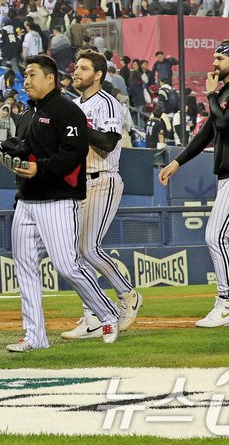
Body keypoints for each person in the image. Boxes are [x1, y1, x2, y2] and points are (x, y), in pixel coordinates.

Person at [0, 54, 121, 352]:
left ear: (50, 79)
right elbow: (27, 151)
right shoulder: (27, 114)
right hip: (27, 199)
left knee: (68, 265)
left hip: (59, 199)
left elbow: (73, 154)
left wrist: (40, 167)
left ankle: (108, 313)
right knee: (25, 267)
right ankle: (34, 336)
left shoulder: (69, 111)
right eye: (24, 76)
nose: (26, 81)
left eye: (31, 75)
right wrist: (14, 157)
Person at [159, 39, 229, 328]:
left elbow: (223, 122)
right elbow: (206, 134)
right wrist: (177, 162)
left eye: (220, 57)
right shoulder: (225, 92)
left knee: (215, 236)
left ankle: (226, 302)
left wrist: (209, 96)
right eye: (214, 57)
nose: (215, 62)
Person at [63, 50, 143, 341]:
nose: (77, 71)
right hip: (78, 184)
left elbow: (108, 142)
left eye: (83, 68)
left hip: (103, 179)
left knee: (89, 249)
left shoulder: (108, 103)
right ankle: (92, 317)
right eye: (76, 67)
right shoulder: (72, 104)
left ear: (97, 75)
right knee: (77, 256)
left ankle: (127, 294)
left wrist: (79, 126)